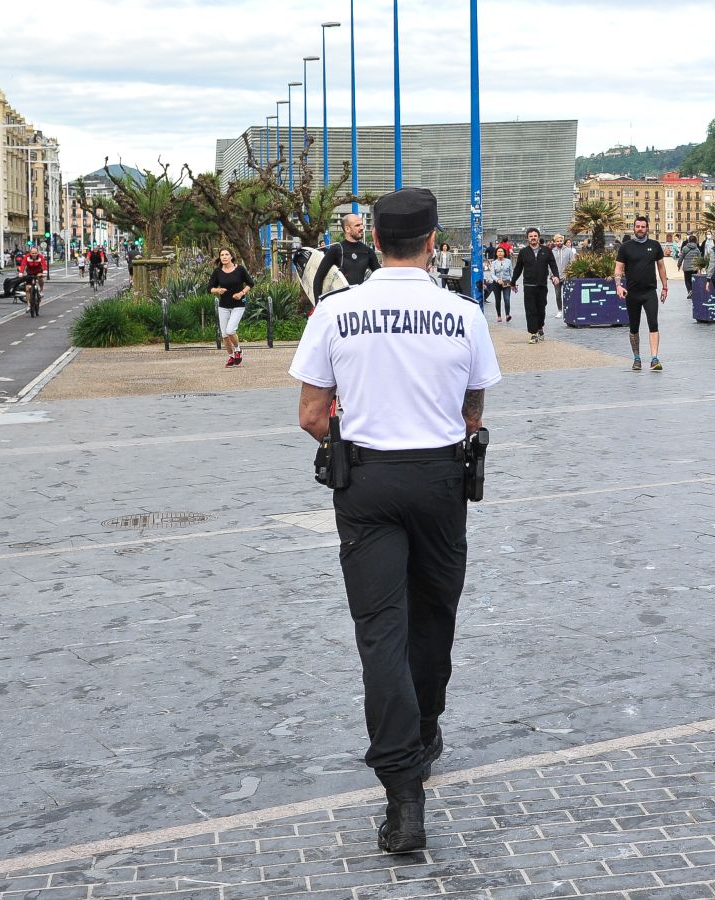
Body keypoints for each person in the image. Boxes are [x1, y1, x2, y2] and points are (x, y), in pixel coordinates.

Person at [289, 187, 502, 855]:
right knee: (434, 616)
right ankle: (427, 729)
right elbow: (474, 412)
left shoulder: (335, 310)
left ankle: (403, 799)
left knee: (381, 633)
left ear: (371, 241)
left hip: (367, 482)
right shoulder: (463, 313)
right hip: (438, 480)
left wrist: (356, 432)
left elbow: (311, 416)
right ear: (433, 241)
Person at [614, 215, 669, 371]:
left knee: (653, 323)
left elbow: (661, 267)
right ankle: (637, 358)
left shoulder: (655, 245)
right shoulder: (626, 247)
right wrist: (618, 285)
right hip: (632, 293)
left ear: (647, 228)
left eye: (643, 227)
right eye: (637, 226)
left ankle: (654, 358)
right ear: (634, 228)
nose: (640, 229)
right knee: (634, 327)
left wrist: (665, 287)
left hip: (649, 292)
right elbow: (618, 269)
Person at [510, 227, 561, 343]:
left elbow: (553, 265)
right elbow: (518, 269)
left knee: (541, 309)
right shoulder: (523, 252)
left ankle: (540, 327)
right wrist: (513, 282)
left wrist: (556, 276)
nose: (533, 238)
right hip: (528, 285)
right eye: (531, 236)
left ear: (538, 237)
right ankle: (533, 333)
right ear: (527, 238)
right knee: (530, 310)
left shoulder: (546, 251)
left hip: (542, 285)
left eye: (535, 236)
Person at [313, 213, 381, 299]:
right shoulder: (336, 250)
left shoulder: (368, 251)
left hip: (360, 301)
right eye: (357, 225)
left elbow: (379, 276)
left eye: (362, 224)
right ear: (347, 229)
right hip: (340, 302)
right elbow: (319, 277)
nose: (362, 228)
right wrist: (318, 304)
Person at [208, 248, 254, 368]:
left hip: (238, 305)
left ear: (231, 256)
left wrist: (241, 293)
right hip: (223, 306)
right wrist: (218, 290)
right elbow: (209, 288)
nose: (224, 257)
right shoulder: (217, 272)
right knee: (224, 334)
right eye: (222, 255)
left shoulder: (239, 269)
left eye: (226, 254)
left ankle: (238, 350)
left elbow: (250, 283)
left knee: (230, 331)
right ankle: (231, 357)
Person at [549, 234, 575, 318]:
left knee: (568, 294)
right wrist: (552, 276)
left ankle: (568, 310)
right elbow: (549, 265)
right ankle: (560, 310)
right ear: (554, 242)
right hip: (556, 278)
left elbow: (573, 263)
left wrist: (570, 274)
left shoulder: (569, 251)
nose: (559, 242)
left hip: (567, 277)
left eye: (560, 241)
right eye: (557, 241)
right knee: (558, 295)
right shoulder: (552, 251)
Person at [487, 246, 512, 322]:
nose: (500, 253)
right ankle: (499, 315)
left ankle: (507, 315)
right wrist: (497, 280)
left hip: (506, 282)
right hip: (497, 283)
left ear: (504, 253)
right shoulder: (494, 263)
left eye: (501, 251)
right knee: (498, 300)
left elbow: (511, 272)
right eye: (498, 251)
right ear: (496, 253)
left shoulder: (508, 261)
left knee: (507, 299)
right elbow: (492, 274)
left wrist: (512, 281)